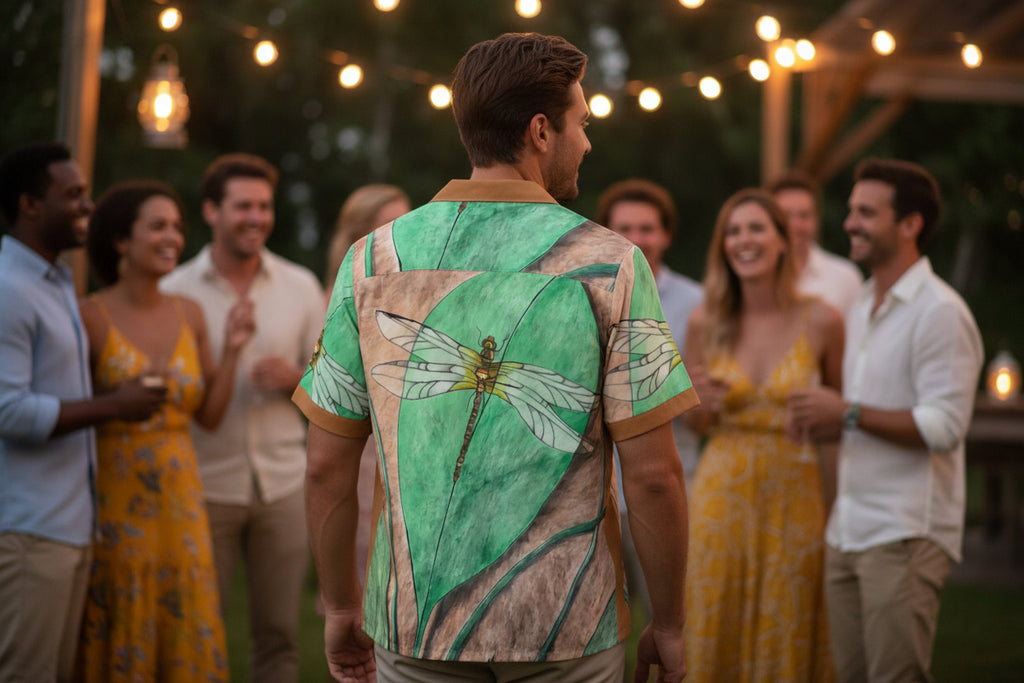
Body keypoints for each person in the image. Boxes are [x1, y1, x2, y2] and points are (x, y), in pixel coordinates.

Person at [294, 32, 697, 683]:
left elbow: (324, 463)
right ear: (541, 131)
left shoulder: (373, 259)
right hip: (566, 624)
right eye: (581, 124)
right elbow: (653, 476)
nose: (587, 142)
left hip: (415, 623)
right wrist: (670, 622)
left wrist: (340, 604)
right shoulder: (611, 263)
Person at [788, 158, 983, 683]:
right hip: (848, 528)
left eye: (866, 213)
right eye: (852, 210)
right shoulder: (863, 303)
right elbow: (865, 415)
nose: (850, 222)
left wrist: (845, 412)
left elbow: (943, 427)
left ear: (910, 224)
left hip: (904, 532)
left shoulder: (940, 311)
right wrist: (826, 420)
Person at [75, 180, 255, 681]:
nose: (173, 236)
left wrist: (235, 347)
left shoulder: (190, 313)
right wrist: (114, 403)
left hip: (181, 507)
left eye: (177, 226)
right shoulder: (90, 316)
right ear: (119, 240)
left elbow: (210, 417)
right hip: (114, 503)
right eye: (157, 226)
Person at [0, 143, 165, 682]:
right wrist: (114, 406)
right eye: (71, 195)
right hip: (28, 528)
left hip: (69, 523)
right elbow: (9, 411)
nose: (86, 207)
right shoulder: (9, 287)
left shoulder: (53, 283)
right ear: (29, 204)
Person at [161, 153, 324, 682]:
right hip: (202, 484)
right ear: (211, 211)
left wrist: (293, 378)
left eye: (264, 206)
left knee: (278, 635)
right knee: (194, 629)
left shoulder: (300, 286)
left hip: (281, 484)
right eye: (242, 206)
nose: (256, 217)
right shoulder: (175, 291)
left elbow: (333, 386)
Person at [682, 188, 844, 682]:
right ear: (722, 246)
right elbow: (696, 424)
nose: (743, 240)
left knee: (788, 620)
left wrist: (836, 510)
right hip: (720, 494)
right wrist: (698, 407)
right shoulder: (705, 320)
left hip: (795, 492)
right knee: (714, 619)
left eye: (756, 228)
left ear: (782, 242)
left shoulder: (823, 320)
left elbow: (838, 422)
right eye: (733, 231)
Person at [595, 178, 703, 620]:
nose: (637, 240)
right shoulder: (587, 294)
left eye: (647, 228)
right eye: (625, 228)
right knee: (606, 627)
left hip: (675, 482)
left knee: (677, 621)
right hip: (600, 490)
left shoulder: (700, 303)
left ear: (666, 235)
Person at [769, 171, 863, 315]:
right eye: (786, 215)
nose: (795, 225)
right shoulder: (753, 278)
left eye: (804, 215)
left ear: (817, 220)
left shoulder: (846, 278)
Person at [324, 183, 411, 295]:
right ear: (360, 233)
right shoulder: (339, 301)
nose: (405, 231)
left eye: (408, 222)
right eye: (392, 224)